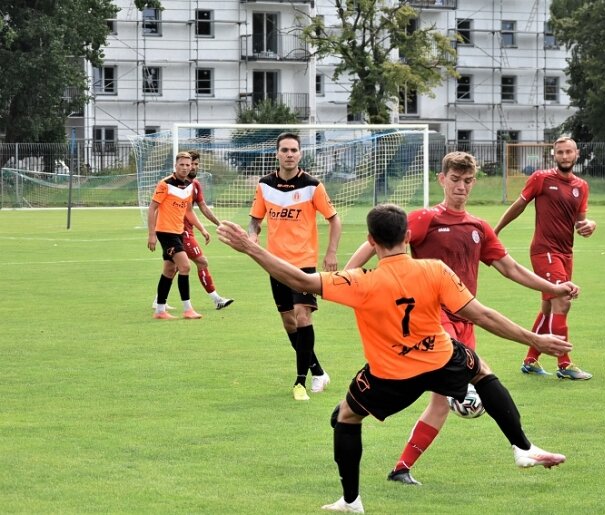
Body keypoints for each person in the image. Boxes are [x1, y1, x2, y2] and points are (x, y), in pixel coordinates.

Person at [217, 204, 571, 515]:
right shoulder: (435, 270)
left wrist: (250, 247)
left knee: (347, 416)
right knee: (479, 369)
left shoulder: (361, 281)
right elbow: (482, 315)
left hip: (390, 375)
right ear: (406, 236)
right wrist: (534, 338)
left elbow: (299, 279)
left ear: (371, 241)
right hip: (440, 358)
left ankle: (351, 501)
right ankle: (523, 447)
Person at [345, 151, 579, 486]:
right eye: (454, 180)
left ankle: (401, 467)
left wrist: (553, 288)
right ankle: (508, 434)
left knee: (439, 404)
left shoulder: (478, 227)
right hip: (433, 317)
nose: (461, 187)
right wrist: (351, 273)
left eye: (467, 181)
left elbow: (509, 268)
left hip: (465, 318)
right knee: (476, 376)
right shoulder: (426, 218)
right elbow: (380, 240)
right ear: (442, 180)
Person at [248, 132, 342, 401]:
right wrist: (252, 235)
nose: (289, 154)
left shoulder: (313, 186)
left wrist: (331, 252)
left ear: (300, 154)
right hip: (276, 264)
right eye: (284, 150)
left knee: (303, 317)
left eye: (294, 150)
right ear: (277, 154)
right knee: (290, 323)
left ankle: (301, 382)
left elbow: (334, 220)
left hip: (304, 265)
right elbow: (255, 219)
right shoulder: (264, 185)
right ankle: (318, 371)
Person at [494, 136, 597, 380]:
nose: (564, 156)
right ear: (554, 154)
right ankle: (564, 364)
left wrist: (590, 224)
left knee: (549, 307)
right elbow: (519, 205)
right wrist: (495, 231)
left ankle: (531, 360)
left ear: (576, 154)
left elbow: (580, 221)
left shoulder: (581, 186)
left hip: (565, 253)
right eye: (559, 152)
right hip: (544, 251)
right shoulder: (541, 178)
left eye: (568, 152)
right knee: (563, 301)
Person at [152, 150, 234, 311]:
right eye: (188, 164)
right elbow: (155, 207)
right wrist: (154, 232)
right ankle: (213, 300)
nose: (193, 168)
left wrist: (206, 227)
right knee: (199, 262)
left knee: (173, 267)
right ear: (177, 166)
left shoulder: (193, 185)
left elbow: (195, 209)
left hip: (185, 231)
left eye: (194, 164)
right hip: (178, 232)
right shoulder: (169, 184)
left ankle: (159, 302)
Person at [147, 151, 206, 320]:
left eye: (188, 165)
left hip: (178, 232)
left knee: (169, 269)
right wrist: (151, 234)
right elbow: (152, 208)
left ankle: (159, 311)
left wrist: (202, 228)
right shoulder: (165, 184)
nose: (186, 168)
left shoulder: (189, 186)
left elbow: (188, 212)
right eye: (182, 164)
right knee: (185, 266)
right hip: (165, 232)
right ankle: (188, 309)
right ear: (176, 165)